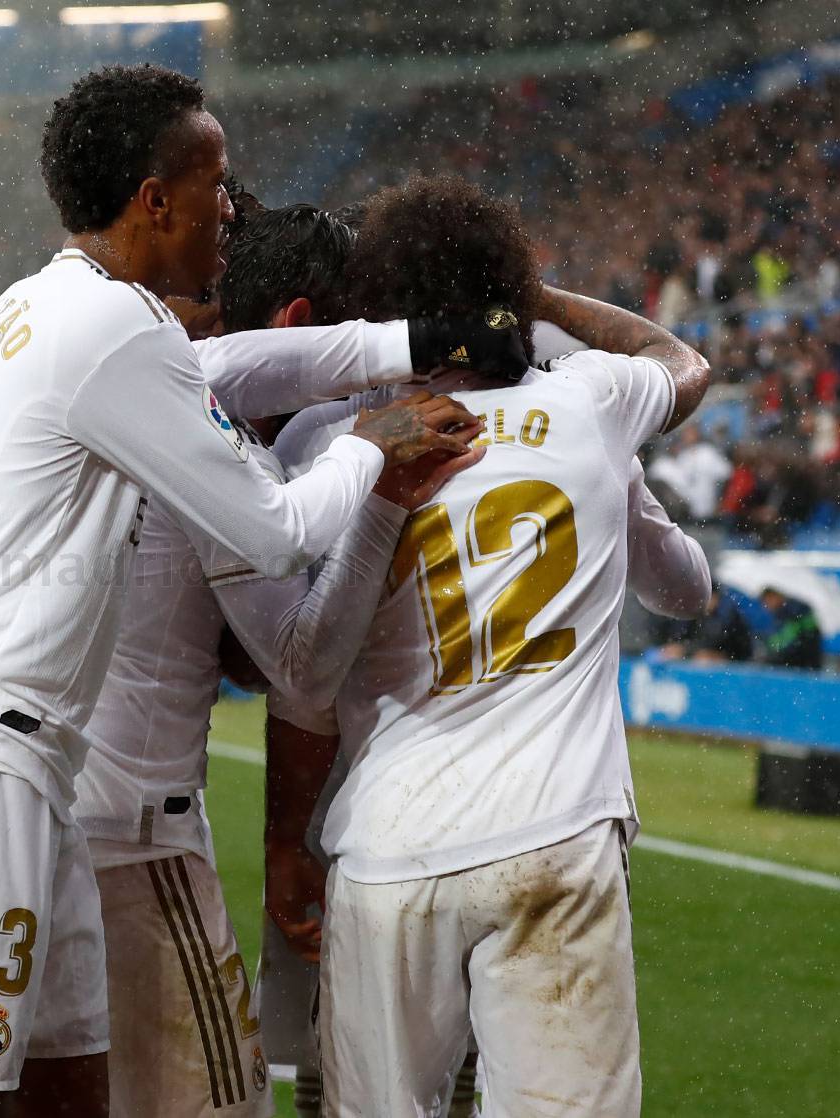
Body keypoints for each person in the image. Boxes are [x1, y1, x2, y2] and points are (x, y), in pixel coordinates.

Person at [0, 67, 508, 1118]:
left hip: (13, 762)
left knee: (69, 1087)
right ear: (155, 201)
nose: (228, 208)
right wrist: (373, 444)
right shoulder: (117, 329)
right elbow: (276, 533)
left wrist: (418, 344)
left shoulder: (19, 316)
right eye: (215, 183)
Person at [262, 175, 710, 1117]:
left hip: (388, 848)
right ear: (512, 288)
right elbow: (680, 361)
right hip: (557, 830)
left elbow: (304, 677)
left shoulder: (338, 442)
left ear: (383, 308)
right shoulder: (592, 401)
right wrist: (539, 298)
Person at [73, 202, 480, 1118]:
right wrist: (379, 481)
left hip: (23, 790)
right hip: (138, 827)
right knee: (235, 1100)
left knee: (50, 1088)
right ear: (302, 328)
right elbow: (295, 665)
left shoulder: (74, 386)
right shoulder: (221, 437)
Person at [654, 581, 754, 663]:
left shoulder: (727, 615)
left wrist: (686, 650)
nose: (702, 601)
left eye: (706, 598)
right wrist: (678, 647)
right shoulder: (696, 614)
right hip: (708, 656)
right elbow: (683, 635)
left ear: (716, 598)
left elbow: (715, 642)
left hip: (735, 660)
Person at [759, 585, 823, 669]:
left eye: (768, 601)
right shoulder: (781, 612)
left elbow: (791, 639)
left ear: (775, 596)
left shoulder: (794, 609)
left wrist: (771, 647)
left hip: (804, 661)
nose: (767, 606)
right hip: (800, 660)